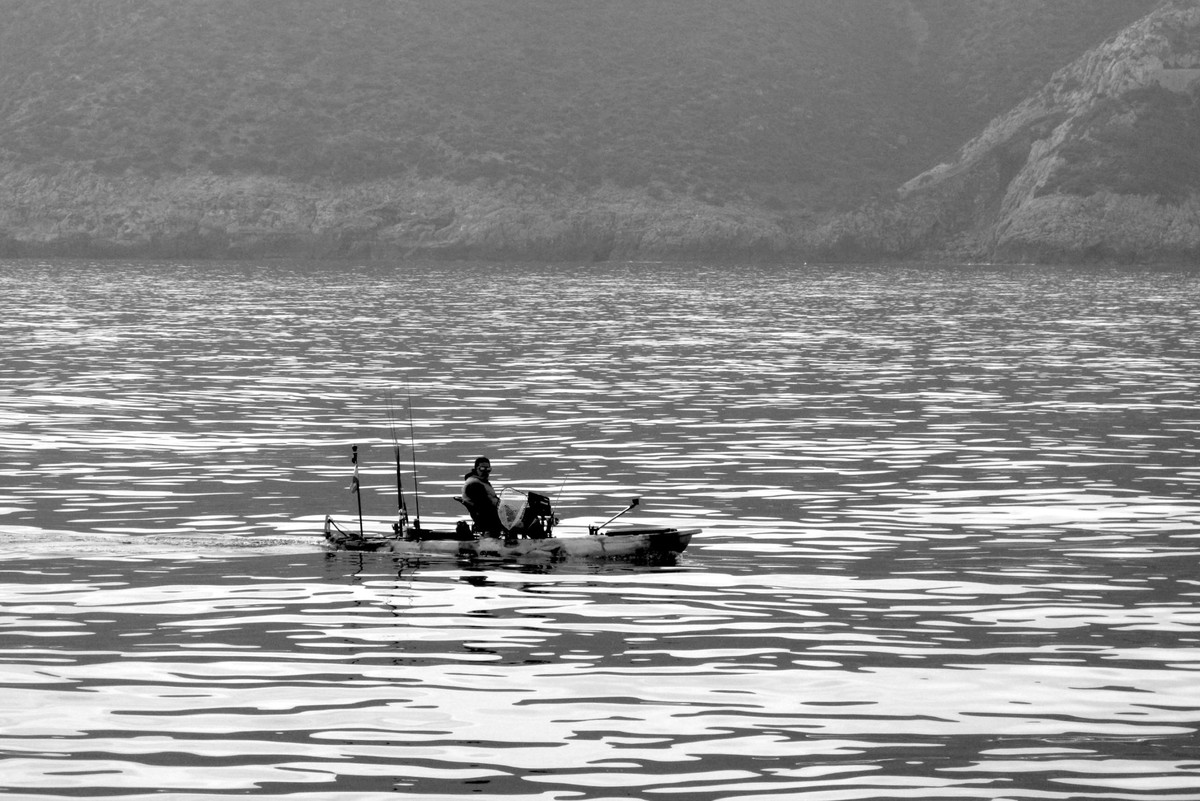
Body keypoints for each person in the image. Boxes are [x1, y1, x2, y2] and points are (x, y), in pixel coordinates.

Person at [461, 456, 502, 534]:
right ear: (476, 469)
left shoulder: (482, 482)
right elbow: (484, 505)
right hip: (486, 518)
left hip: (492, 513)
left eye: (488, 469)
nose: (485, 471)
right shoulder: (474, 485)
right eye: (482, 469)